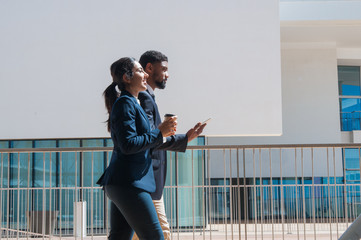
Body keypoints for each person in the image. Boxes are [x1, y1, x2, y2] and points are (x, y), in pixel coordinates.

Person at [97, 57, 177, 240]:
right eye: (141, 70)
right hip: (129, 183)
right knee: (154, 236)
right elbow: (128, 144)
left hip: (124, 182)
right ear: (127, 77)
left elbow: (144, 140)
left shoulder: (132, 103)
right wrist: (159, 133)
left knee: (120, 236)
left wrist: (179, 136)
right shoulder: (125, 103)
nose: (146, 74)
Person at [131, 50, 206, 240]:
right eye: (163, 69)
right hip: (148, 181)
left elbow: (154, 138)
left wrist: (185, 137)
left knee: (139, 234)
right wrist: (182, 138)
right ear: (149, 68)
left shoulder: (147, 97)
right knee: (161, 233)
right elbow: (151, 139)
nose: (167, 74)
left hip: (147, 182)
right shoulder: (145, 99)